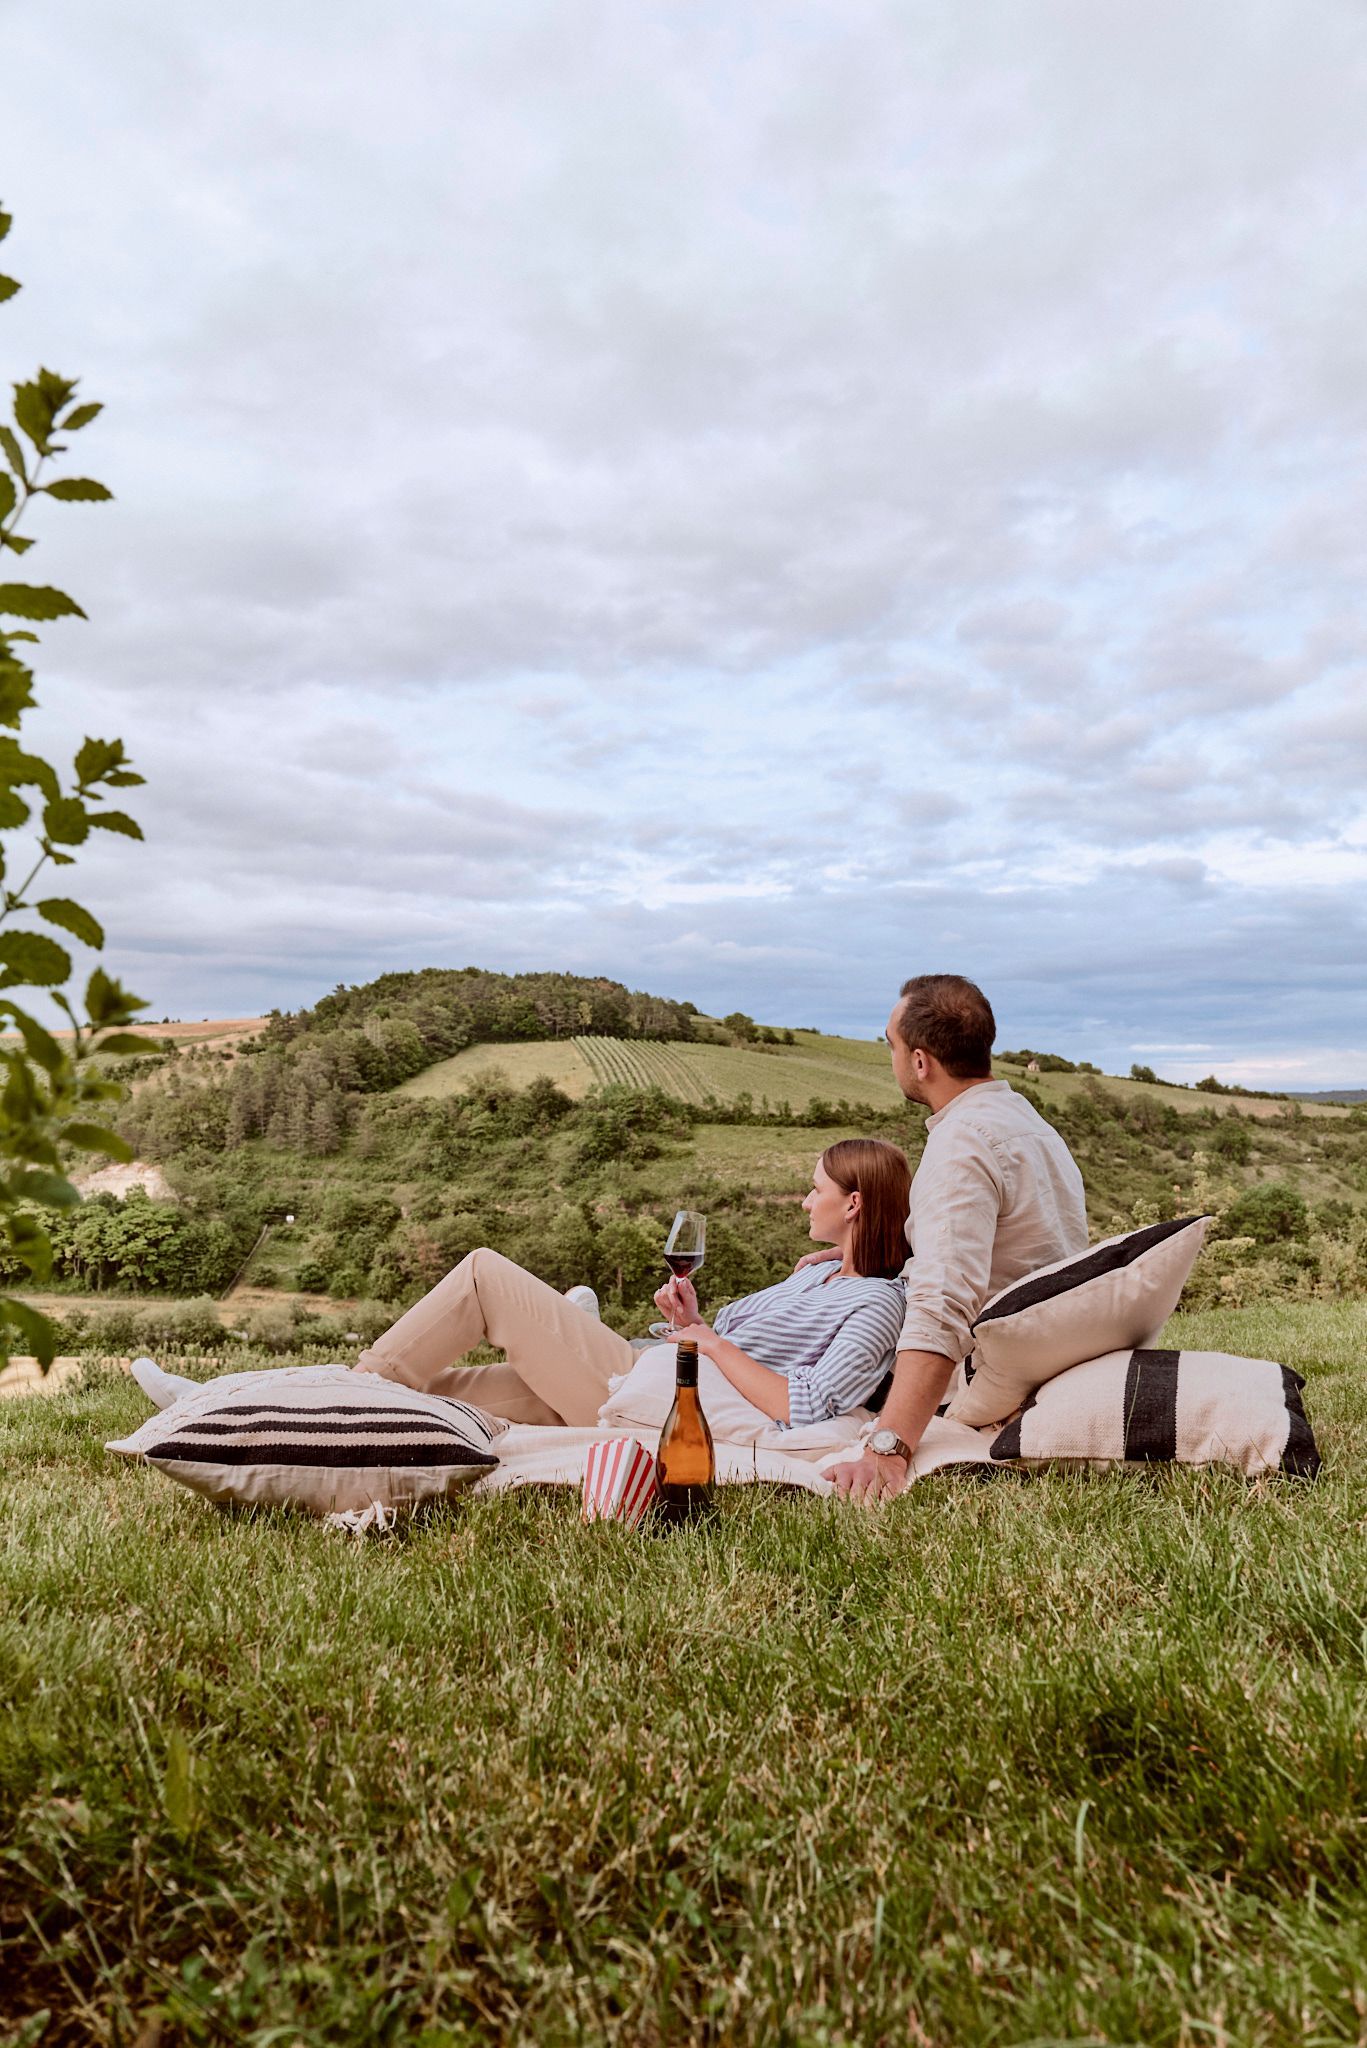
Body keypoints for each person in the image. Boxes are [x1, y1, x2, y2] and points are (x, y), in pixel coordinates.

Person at [350, 1137, 914, 1429]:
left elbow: (809, 1404)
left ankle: (353, 1387)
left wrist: (708, 1341)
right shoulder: (821, 1273)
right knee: (441, 1395)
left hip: (665, 1396)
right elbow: (743, 1347)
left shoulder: (877, 1303)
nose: (805, 1199)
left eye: (817, 1190)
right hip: (657, 1370)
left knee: (482, 1274)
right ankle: (362, 1406)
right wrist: (692, 1324)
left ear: (855, 1203)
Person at [815, 974, 1088, 1505]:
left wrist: (887, 1450)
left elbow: (942, 1304)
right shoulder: (1027, 1122)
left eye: (891, 1045)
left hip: (978, 1374)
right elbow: (1002, 1248)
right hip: (1040, 1345)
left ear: (920, 1062)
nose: (891, 1058)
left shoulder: (961, 1144)